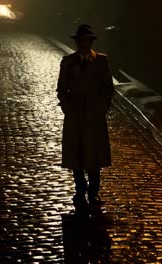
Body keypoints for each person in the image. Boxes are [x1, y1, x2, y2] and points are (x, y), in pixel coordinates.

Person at [56, 24, 114, 210]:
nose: (83, 44)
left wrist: (102, 108)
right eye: (81, 41)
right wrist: (67, 108)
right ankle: (80, 191)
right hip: (75, 115)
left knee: (94, 156)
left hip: (94, 116)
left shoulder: (101, 61)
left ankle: (94, 192)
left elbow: (108, 88)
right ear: (77, 42)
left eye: (87, 40)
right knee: (76, 156)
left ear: (91, 42)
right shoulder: (68, 62)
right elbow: (61, 88)